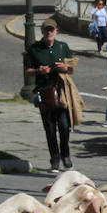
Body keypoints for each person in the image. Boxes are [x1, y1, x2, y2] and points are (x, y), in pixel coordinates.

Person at [25, 22, 81, 171]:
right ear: (42, 31)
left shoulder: (63, 47)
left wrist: (65, 68)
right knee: (49, 128)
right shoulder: (34, 49)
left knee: (64, 125)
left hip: (61, 91)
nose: (49, 32)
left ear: (56, 31)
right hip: (45, 91)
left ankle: (66, 155)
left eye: (51, 30)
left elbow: (71, 70)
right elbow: (27, 70)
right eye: (46, 30)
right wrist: (39, 71)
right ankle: (54, 158)